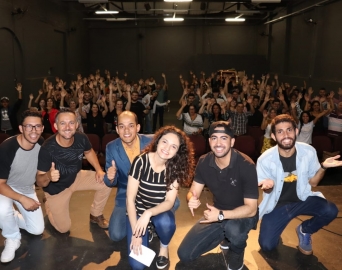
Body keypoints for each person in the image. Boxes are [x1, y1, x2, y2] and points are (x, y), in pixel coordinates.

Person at [178, 121, 259, 270]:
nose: (218, 143)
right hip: (217, 212)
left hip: (243, 215)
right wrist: (191, 199)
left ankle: (236, 255)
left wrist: (221, 215)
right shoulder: (204, 161)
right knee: (185, 254)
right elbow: (192, 191)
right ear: (209, 141)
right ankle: (224, 237)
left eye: (224, 138)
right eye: (214, 138)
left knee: (234, 231)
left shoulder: (246, 165)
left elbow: (252, 208)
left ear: (232, 141)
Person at [257, 114, 341, 255]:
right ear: (273, 136)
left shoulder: (308, 151)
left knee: (331, 210)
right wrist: (268, 187)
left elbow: (313, 182)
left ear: (296, 131)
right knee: (267, 245)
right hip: (278, 205)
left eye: (289, 130)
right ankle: (275, 229)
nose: (285, 135)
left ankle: (305, 230)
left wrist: (323, 167)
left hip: (302, 199)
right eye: (280, 131)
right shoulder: (264, 160)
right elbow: (266, 190)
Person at [126, 126, 195, 270]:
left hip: (159, 210)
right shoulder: (140, 161)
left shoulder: (174, 167)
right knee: (137, 266)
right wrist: (136, 233)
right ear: (157, 141)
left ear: (177, 152)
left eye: (173, 146)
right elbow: (130, 199)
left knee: (166, 223)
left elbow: (170, 201)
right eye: (165, 142)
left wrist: (149, 213)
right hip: (138, 210)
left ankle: (164, 247)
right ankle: (148, 229)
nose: (167, 148)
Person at [36, 108, 111, 233]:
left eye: (71, 123)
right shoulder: (47, 148)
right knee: (63, 229)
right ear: (55, 126)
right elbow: (39, 181)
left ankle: (95, 214)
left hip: (76, 177)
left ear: (76, 125)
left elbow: (88, 151)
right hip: (57, 188)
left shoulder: (81, 138)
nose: (67, 127)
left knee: (106, 181)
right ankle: (48, 203)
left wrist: (98, 170)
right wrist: (49, 176)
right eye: (62, 123)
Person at [0, 110, 45, 263]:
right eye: (29, 126)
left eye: (37, 126)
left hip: (27, 188)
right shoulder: (7, 147)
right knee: (2, 209)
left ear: (42, 128)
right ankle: (12, 238)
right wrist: (21, 199)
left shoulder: (41, 144)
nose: (34, 131)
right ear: (21, 128)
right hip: (6, 187)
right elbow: (0, 184)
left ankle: (8, 218)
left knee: (37, 230)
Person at [104, 111, 154, 242]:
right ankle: (135, 218)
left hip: (150, 193)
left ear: (138, 127)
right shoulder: (111, 148)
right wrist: (110, 177)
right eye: (121, 126)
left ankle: (151, 223)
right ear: (117, 129)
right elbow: (110, 181)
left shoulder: (152, 142)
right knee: (115, 235)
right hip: (125, 194)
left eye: (131, 126)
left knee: (174, 203)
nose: (126, 130)